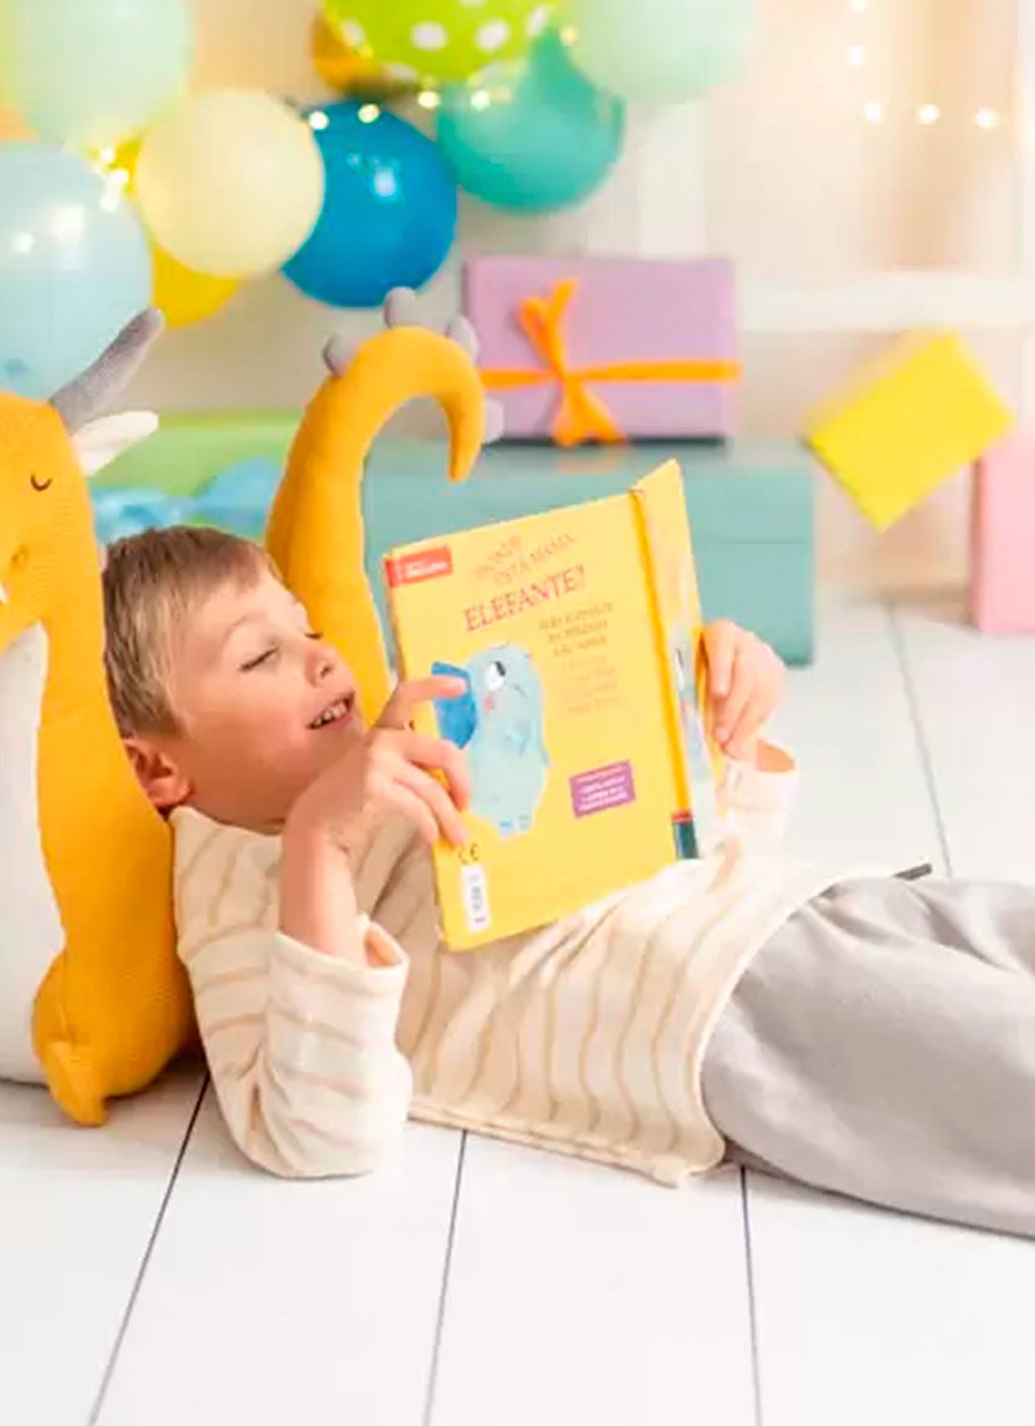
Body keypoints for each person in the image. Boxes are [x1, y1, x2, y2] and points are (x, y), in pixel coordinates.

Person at [102, 524, 1035, 1239]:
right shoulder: (230, 886)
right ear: (159, 772)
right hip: (721, 1010)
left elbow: (684, 867)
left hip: (810, 909)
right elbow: (311, 1133)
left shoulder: (419, 745)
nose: (322, 655)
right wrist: (320, 846)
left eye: (306, 627)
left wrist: (724, 737)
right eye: (260, 655)